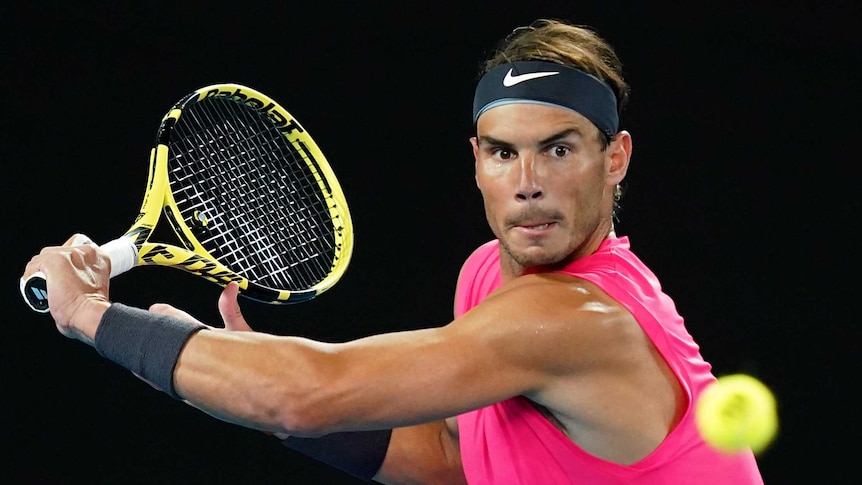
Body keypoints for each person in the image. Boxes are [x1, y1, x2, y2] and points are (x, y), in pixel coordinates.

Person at [23, 18, 765, 484]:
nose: (528, 183)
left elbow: (309, 391)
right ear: (476, 159)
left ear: (616, 158)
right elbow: (452, 459)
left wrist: (92, 313)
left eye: (559, 149)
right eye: (504, 154)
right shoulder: (485, 273)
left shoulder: (575, 317)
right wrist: (224, 374)